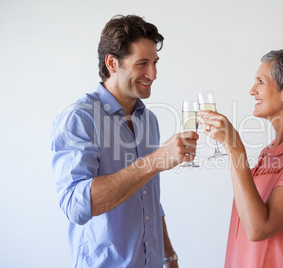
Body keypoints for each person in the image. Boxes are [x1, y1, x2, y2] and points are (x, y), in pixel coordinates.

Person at [50, 15, 198, 268]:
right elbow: (76, 206)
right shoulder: (80, 118)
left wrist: (169, 256)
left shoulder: (147, 119)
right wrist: (154, 161)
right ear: (112, 63)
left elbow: (147, 198)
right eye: (142, 63)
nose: (152, 74)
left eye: (154, 63)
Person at [199, 49, 283, 267]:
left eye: (260, 81)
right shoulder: (267, 153)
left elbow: (259, 228)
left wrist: (235, 149)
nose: (252, 90)